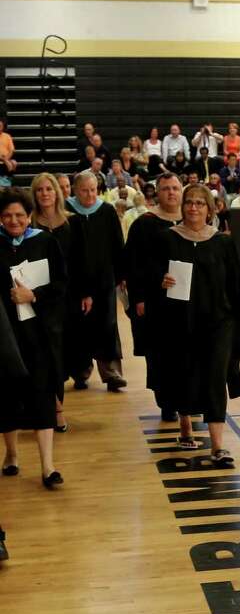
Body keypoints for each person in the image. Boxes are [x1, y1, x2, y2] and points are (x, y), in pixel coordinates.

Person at [145, 184, 240, 466]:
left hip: (218, 321)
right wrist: (160, 281)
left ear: (210, 209)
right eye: (189, 202)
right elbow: (149, 276)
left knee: (215, 377)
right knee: (184, 373)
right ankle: (185, 423)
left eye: (200, 203)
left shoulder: (223, 242)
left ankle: (217, 445)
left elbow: (235, 284)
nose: (194, 208)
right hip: (178, 319)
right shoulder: (167, 239)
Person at [1, 187, 67, 490]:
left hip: (39, 332)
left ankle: (48, 466)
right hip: (5, 335)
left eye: (19, 215)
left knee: (42, 396)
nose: (14, 221)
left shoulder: (46, 242)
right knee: (7, 397)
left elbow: (61, 286)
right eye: (7, 216)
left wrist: (33, 295)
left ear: (29, 216)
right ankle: (12, 454)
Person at [126, 172, 184, 421]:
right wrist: (139, 298)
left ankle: (189, 399)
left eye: (175, 188)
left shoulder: (194, 220)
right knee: (161, 354)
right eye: (165, 189)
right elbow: (133, 264)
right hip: (156, 302)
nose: (171, 192)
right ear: (156, 193)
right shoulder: (144, 224)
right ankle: (167, 402)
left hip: (188, 303)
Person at [65, 171, 126, 392]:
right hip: (76, 281)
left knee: (107, 327)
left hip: (104, 281)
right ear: (75, 190)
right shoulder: (67, 211)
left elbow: (117, 245)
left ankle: (112, 374)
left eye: (93, 190)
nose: (89, 195)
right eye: (84, 190)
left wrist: (121, 276)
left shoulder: (107, 211)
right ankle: (80, 372)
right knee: (79, 328)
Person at [30, 173, 73, 431]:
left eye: (49, 189)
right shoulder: (28, 225)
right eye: (39, 190)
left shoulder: (72, 224)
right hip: (38, 298)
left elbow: (81, 263)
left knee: (60, 355)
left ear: (57, 192)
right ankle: (54, 408)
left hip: (66, 299)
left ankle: (57, 405)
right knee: (43, 354)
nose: (45, 193)